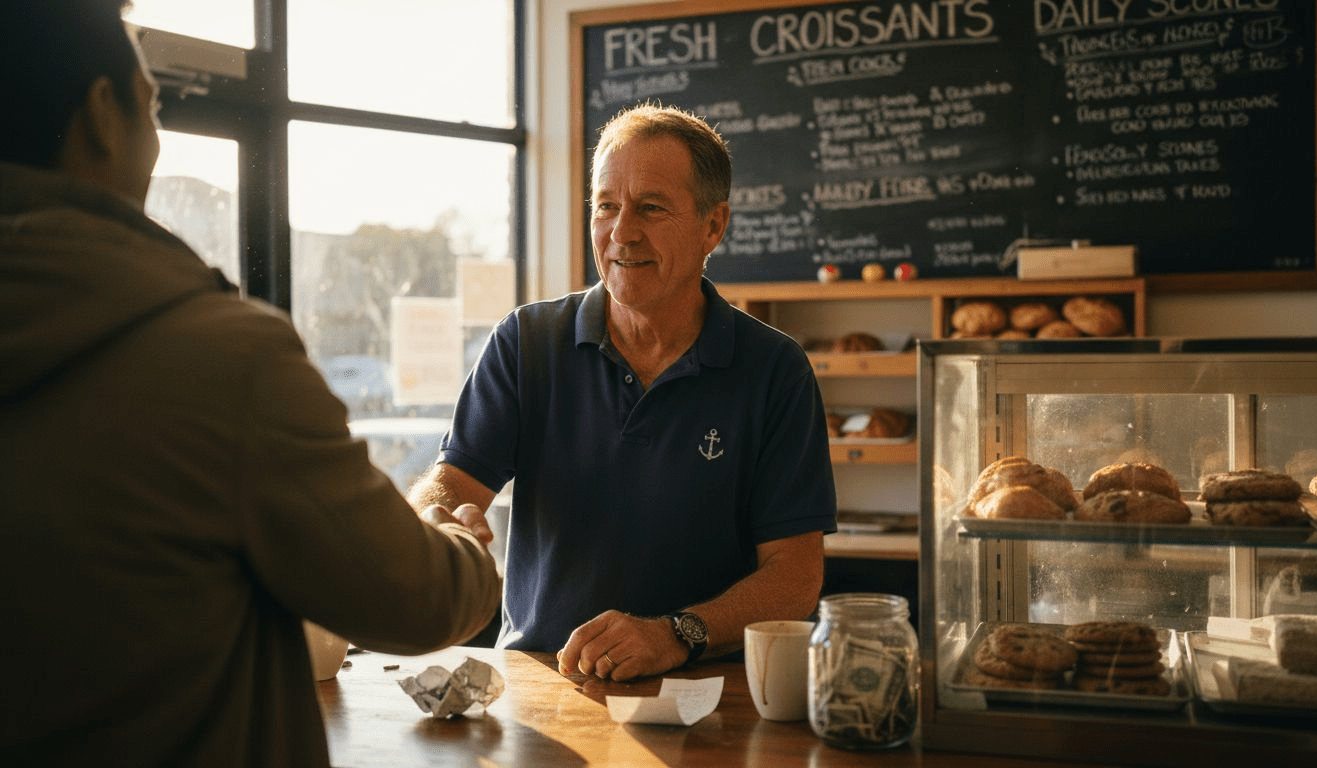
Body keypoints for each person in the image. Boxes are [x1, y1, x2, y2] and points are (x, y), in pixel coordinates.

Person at [0, 2, 501, 766]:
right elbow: (412, 596)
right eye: (153, 102)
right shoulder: (219, 359)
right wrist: (468, 549)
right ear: (103, 114)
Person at [407, 103, 837, 682]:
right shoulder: (526, 343)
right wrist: (434, 519)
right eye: (605, 206)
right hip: (540, 685)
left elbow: (794, 577)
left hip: (707, 695)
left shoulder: (775, 370)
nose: (621, 232)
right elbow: (451, 482)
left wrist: (675, 634)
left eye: (651, 208)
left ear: (714, 225)